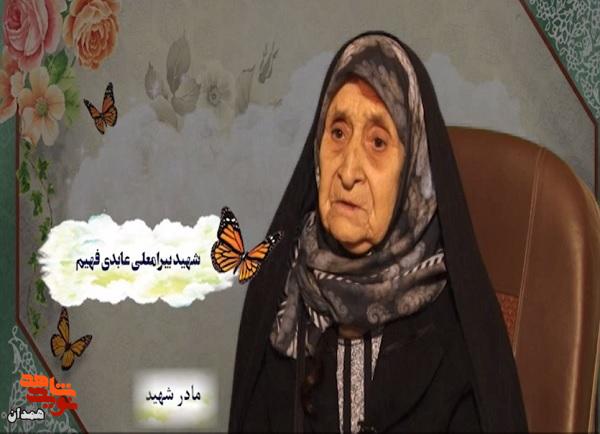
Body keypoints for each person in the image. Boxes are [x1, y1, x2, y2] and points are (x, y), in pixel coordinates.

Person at [228, 31, 528, 433]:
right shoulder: (280, 298)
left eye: (378, 142)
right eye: (337, 132)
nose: (348, 171)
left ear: (414, 171)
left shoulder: (457, 329)